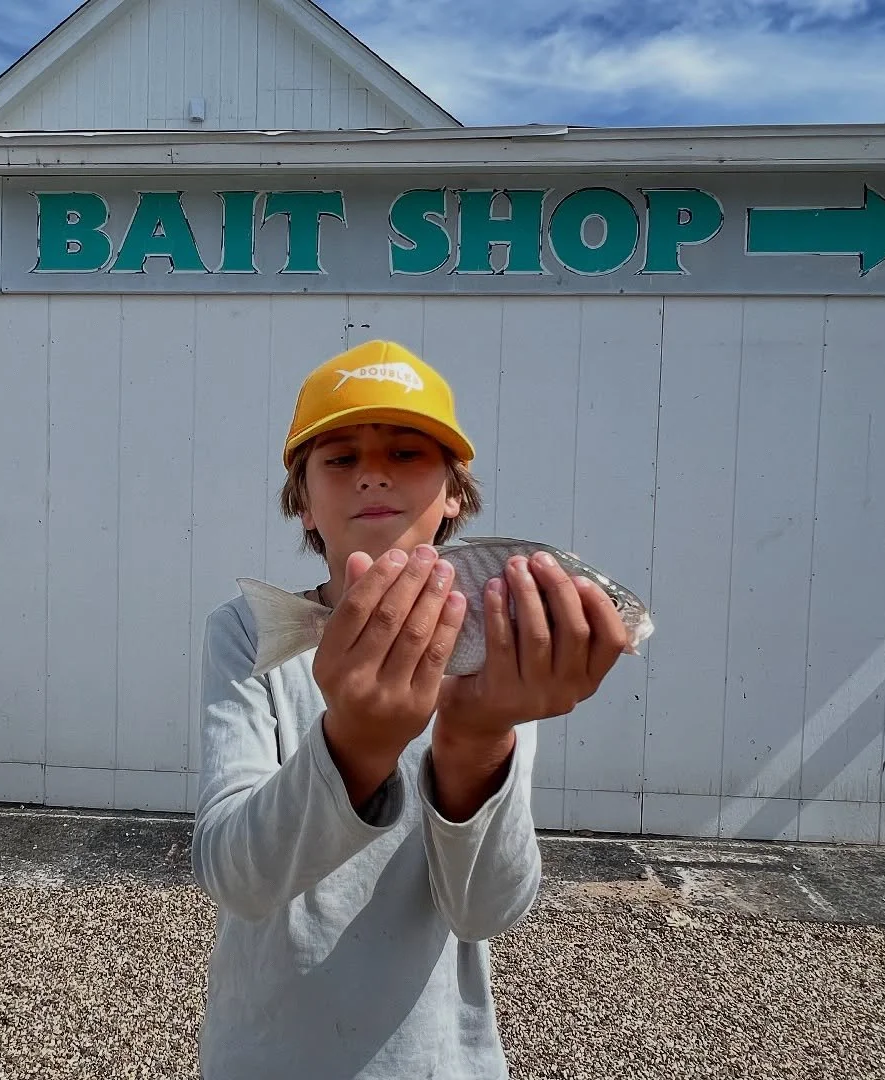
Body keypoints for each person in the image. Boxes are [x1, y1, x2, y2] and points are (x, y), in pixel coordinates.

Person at [190, 339, 630, 1079]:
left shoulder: (495, 637)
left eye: (406, 452)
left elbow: (485, 912)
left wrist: (478, 741)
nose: (373, 474)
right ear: (303, 502)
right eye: (340, 459)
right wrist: (355, 746)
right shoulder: (247, 632)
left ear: (455, 494)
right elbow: (233, 877)